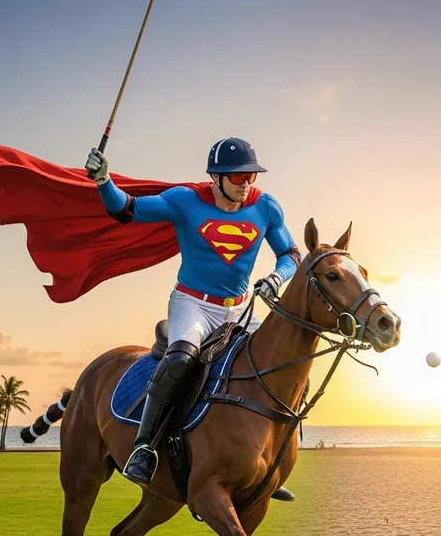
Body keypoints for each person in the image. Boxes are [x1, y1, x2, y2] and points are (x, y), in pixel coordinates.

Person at [85, 137, 301, 493]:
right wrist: (104, 181)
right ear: (216, 177)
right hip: (193, 304)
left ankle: (267, 460)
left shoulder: (266, 206)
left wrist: (278, 276)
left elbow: (290, 252)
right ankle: (144, 448)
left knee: (282, 364)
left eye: (250, 176)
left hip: (241, 307)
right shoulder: (185, 201)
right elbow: (126, 210)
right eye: (237, 177)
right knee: (181, 360)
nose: (246, 183)